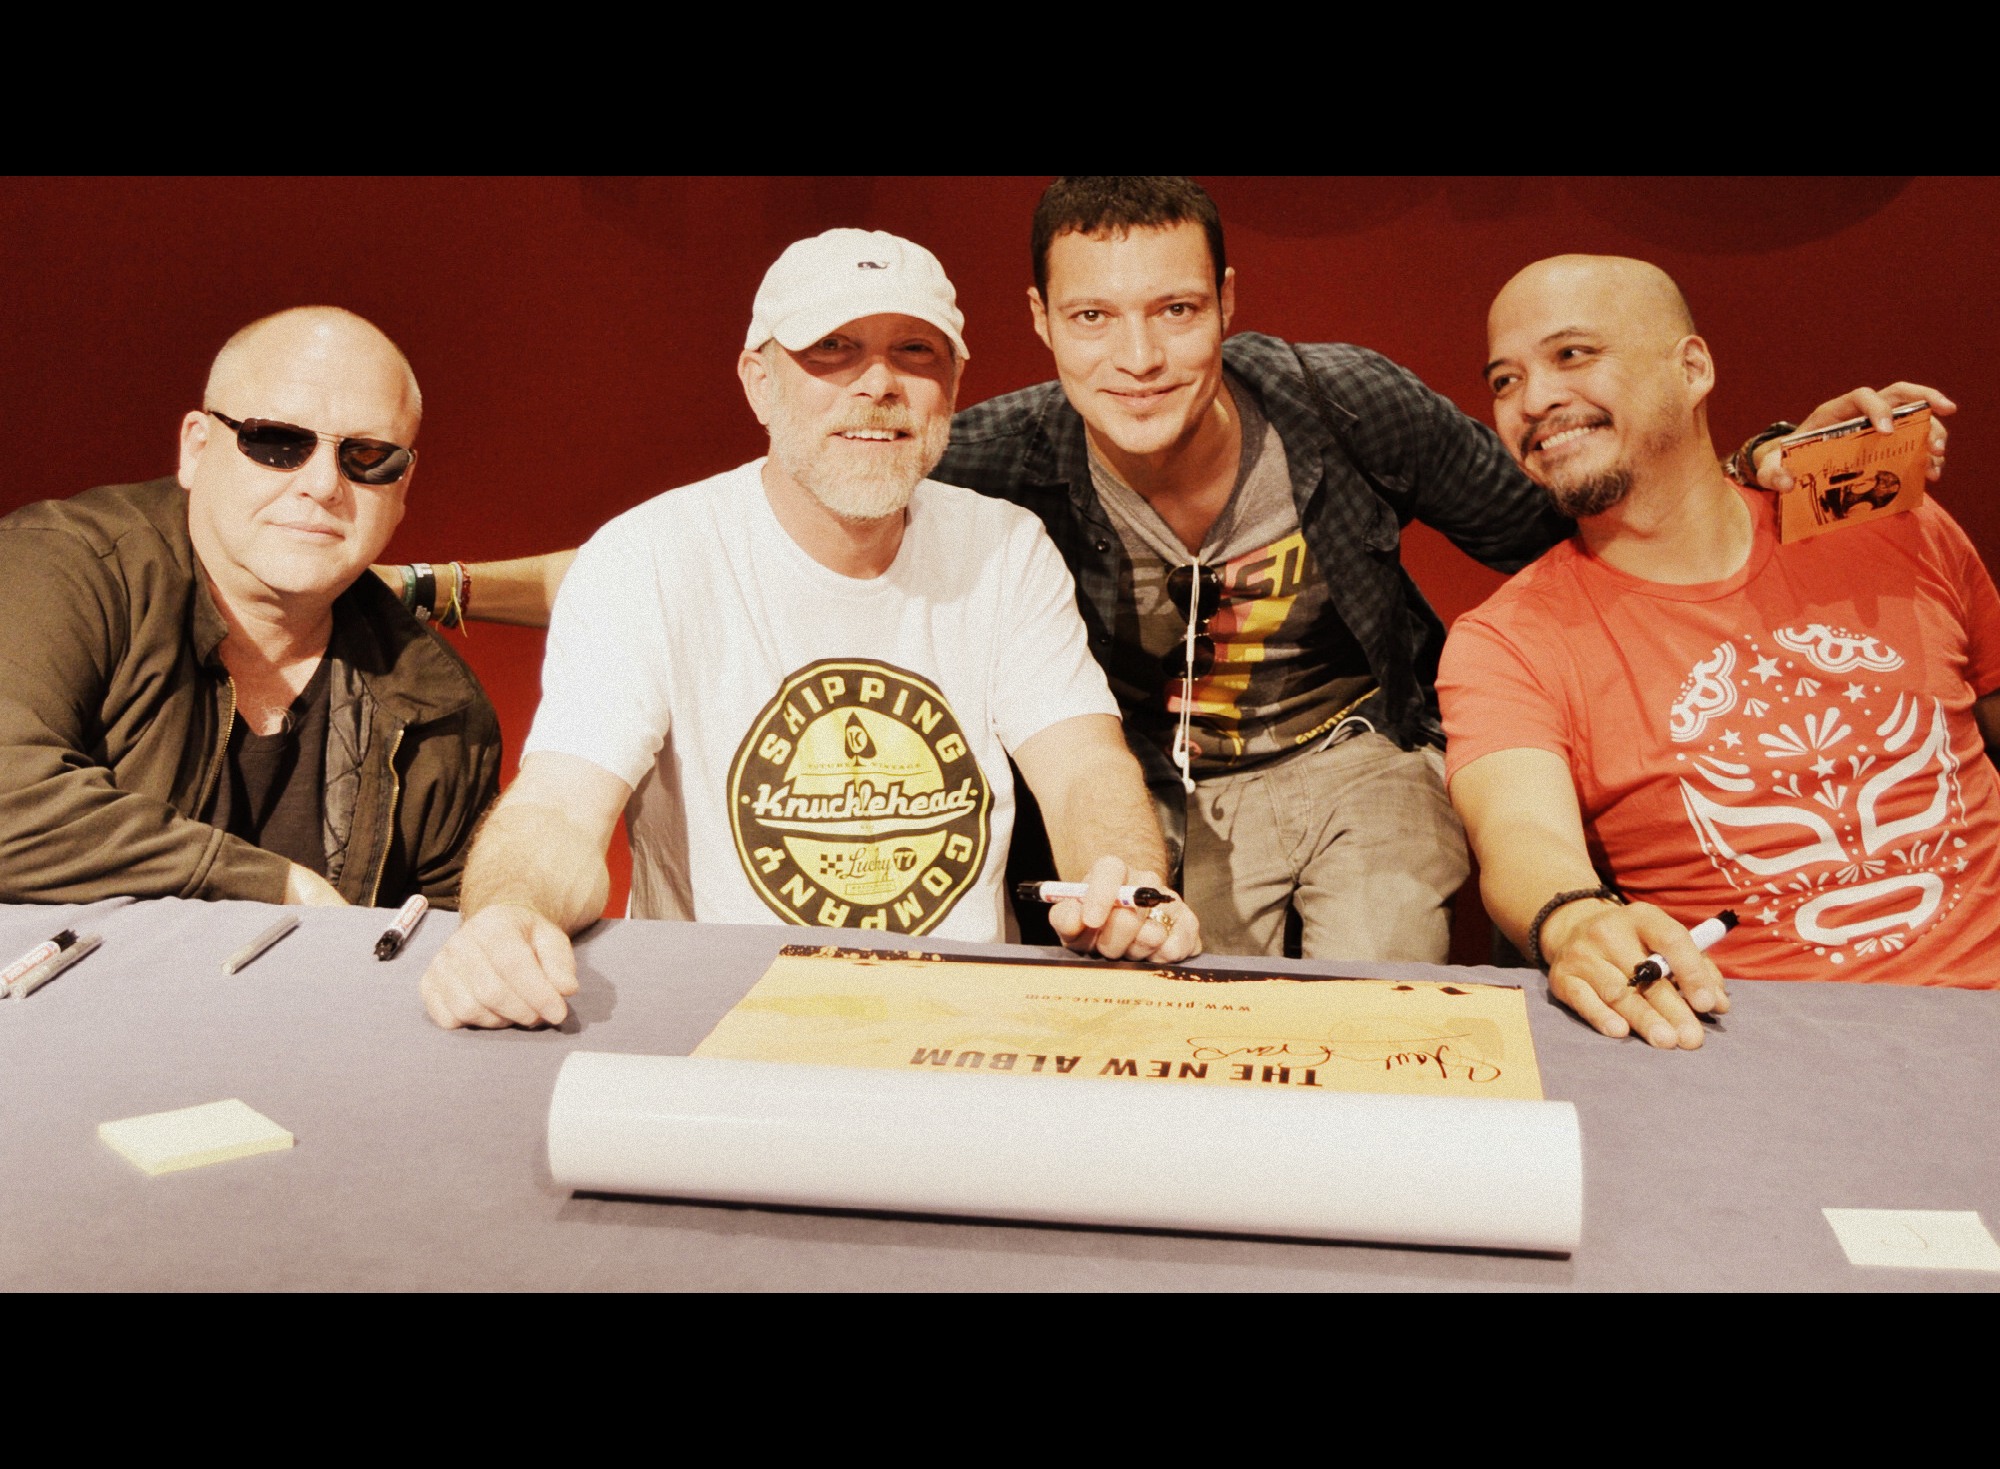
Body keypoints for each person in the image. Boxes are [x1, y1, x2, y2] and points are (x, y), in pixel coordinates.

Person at [420, 230, 1199, 1031]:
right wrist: (509, 914)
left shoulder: (1004, 548)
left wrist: (1126, 883)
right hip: (721, 1026)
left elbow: (1083, 769)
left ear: (953, 386)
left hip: (956, 1030)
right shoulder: (647, 556)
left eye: (915, 351)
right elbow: (558, 806)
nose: (879, 382)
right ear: (759, 383)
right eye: (833, 348)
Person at [1440, 253, 1993, 1052]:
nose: (1534, 400)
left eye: (1572, 354)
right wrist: (1573, 919)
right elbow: (1522, 835)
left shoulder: (1887, 522)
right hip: (1758, 1048)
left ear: (1692, 368)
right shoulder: (1508, 640)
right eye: (1505, 380)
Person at [0, 307, 500, 907]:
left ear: (402, 490)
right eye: (277, 442)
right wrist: (275, 886)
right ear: (195, 449)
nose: (323, 485)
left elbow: (449, 936)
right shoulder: (62, 570)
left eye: (367, 456)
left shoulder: (440, 708)